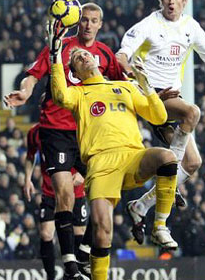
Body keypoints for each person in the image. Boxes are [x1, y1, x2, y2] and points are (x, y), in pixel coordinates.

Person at [116, 0, 205, 244]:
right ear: (161, 0)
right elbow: (121, 56)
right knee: (193, 113)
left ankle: (139, 206)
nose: (171, 1)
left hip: (170, 100)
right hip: (149, 97)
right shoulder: (149, 25)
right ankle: (161, 221)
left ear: (184, 1)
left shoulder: (191, 27)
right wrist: (140, 82)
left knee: (193, 163)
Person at [48, 20, 178, 280]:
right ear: (74, 72)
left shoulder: (125, 86)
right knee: (102, 229)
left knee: (167, 157)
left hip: (132, 156)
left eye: (85, 54)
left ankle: (160, 225)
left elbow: (159, 115)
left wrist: (145, 83)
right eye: (78, 59)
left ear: (96, 59)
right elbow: (60, 95)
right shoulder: (78, 93)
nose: (84, 56)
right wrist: (55, 55)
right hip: (100, 165)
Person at [4, 2, 125, 279]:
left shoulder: (105, 54)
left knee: (103, 197)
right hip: (55, 129)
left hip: (88, 131)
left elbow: (123, 82)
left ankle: (82, 252)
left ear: (100, 25)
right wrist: (24, 93)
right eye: (84, 19)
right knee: (65, 193)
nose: (88, 25)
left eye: (94, 20)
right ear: (76, 21)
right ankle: (69, 263)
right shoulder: (58, 48)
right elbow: (32, 76)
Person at [24, 123, 87, 280]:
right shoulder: (34, 132)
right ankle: (50, 276)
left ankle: (78, 273)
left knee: (79, 234)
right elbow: (30, 155)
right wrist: (27, 179)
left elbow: (89, 151)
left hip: (75, 190)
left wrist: (82, 173)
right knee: (46, 233)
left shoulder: (75, 126)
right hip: (49, 191)